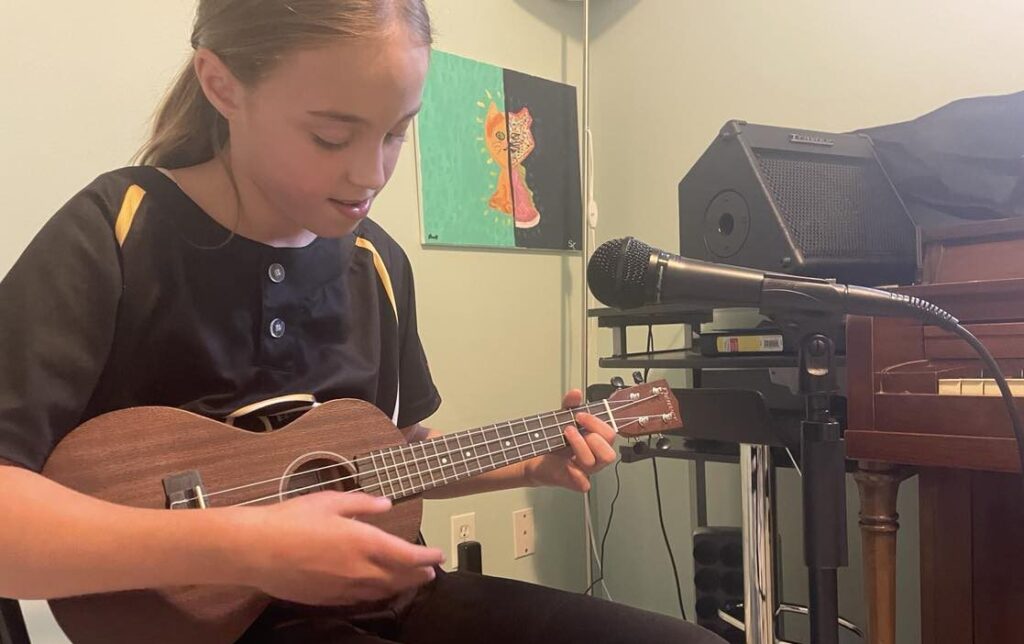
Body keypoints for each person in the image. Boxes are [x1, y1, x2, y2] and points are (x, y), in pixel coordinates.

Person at [0, 1, 724, 642]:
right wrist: (243, 547)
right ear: (222, 85)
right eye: (330, 137)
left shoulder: (376, 260)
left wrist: (531, 462)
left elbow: (383, 456)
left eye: (398, 134)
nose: (371, 174)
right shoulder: (115, 232)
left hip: (380, 603)